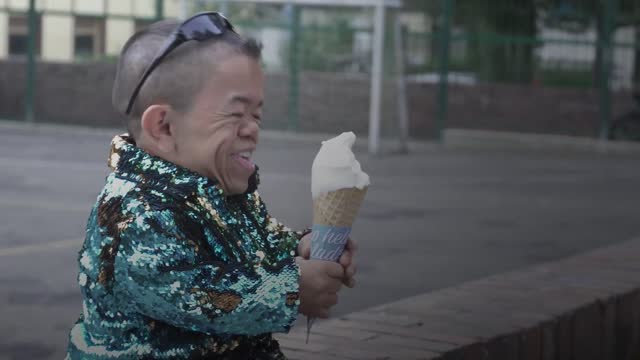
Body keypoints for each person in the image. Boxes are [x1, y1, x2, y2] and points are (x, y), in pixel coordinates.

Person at [65, 12, 357, 359]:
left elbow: (261, 246)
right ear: (165, 127)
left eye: (257, 114)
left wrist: (303, 249)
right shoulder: (134, 214)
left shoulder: (221, 189)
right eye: (236, 114)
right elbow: (198, 297)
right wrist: (292, 292)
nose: (253, 129)